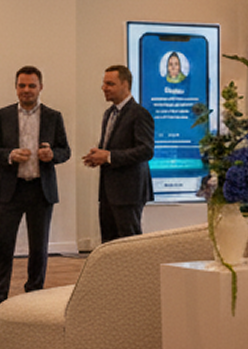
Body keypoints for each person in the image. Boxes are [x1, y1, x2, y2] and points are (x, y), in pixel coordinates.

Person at [0, 66, 71, 301]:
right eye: (22, 85)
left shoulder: (53, 116)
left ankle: (33, 295)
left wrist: (53, 155)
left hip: (41, 191)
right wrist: (9, 155)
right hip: (10, 190)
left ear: (41, 87)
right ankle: (1, 296)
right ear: (15, 87)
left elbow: (65, 150)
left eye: (32, 85)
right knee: (3, 246)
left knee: (39, 249)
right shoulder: (3, 116)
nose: (27, 90)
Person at [82, 65, 155, 242]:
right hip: (108, 192)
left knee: (129, 245)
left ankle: (135, 272)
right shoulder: (109, 113)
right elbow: (112, 147)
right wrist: (97, 157)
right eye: (104, 83)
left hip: (129, 192)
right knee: (109, 245)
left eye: (110, 83)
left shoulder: (139, 114)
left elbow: (146, 150)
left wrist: (108, 156)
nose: (104, 88)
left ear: (125, 85)